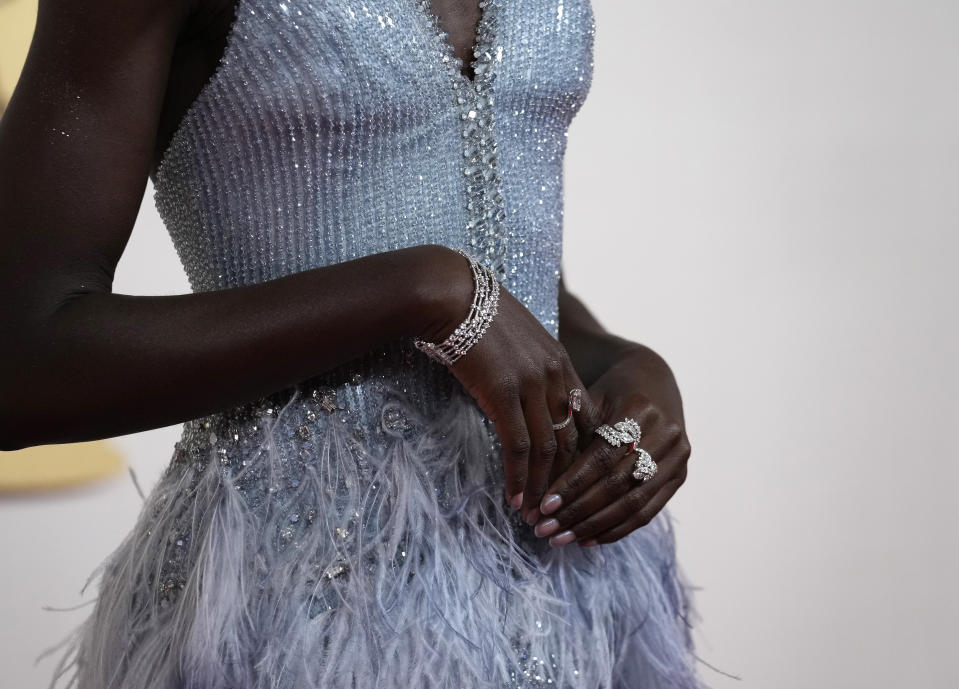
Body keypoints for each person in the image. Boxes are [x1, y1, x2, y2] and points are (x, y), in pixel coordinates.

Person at [0, 0, 704, 687]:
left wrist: (622, 362)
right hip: (301, 610)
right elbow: (22, 364)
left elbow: (505, 259)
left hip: (568, 594)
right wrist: (419, 292)